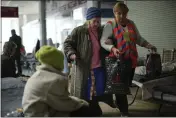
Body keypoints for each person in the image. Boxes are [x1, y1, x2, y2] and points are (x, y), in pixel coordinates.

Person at [100, 2, 157, 116]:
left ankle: (120, 105)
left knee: (125, 87)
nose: (122, 16)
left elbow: (138, 39)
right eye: (119, 14)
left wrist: (149, 45)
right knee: (120, 88)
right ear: (114, 13)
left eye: (124, 14)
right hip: (118, 62)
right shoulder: (110, 25)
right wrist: (112, 48)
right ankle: (124, 112)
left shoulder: (131, 24)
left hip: (131, 62)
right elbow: (103, 41)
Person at [64, 7, 112, 116]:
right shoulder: (79, 31)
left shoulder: (101, 31)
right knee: (84, 90)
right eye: (94, 21)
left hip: (99, 67)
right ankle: (84, 109)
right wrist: (71, 54)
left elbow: (109, 41)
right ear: (88, 20)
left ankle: (93, 107)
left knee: (98, 90)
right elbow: (67, 44)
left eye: (98, 21)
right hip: (84, 66)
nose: (97, 24)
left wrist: (110, 41)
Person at [22, 46, 95, 117]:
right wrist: (82, 103)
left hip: (33, 113)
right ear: (56, 62)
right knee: (86, 110)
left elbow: (59, 99)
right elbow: (64, 103)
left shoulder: (37, 75)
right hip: (43, 114)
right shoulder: (55, 80)